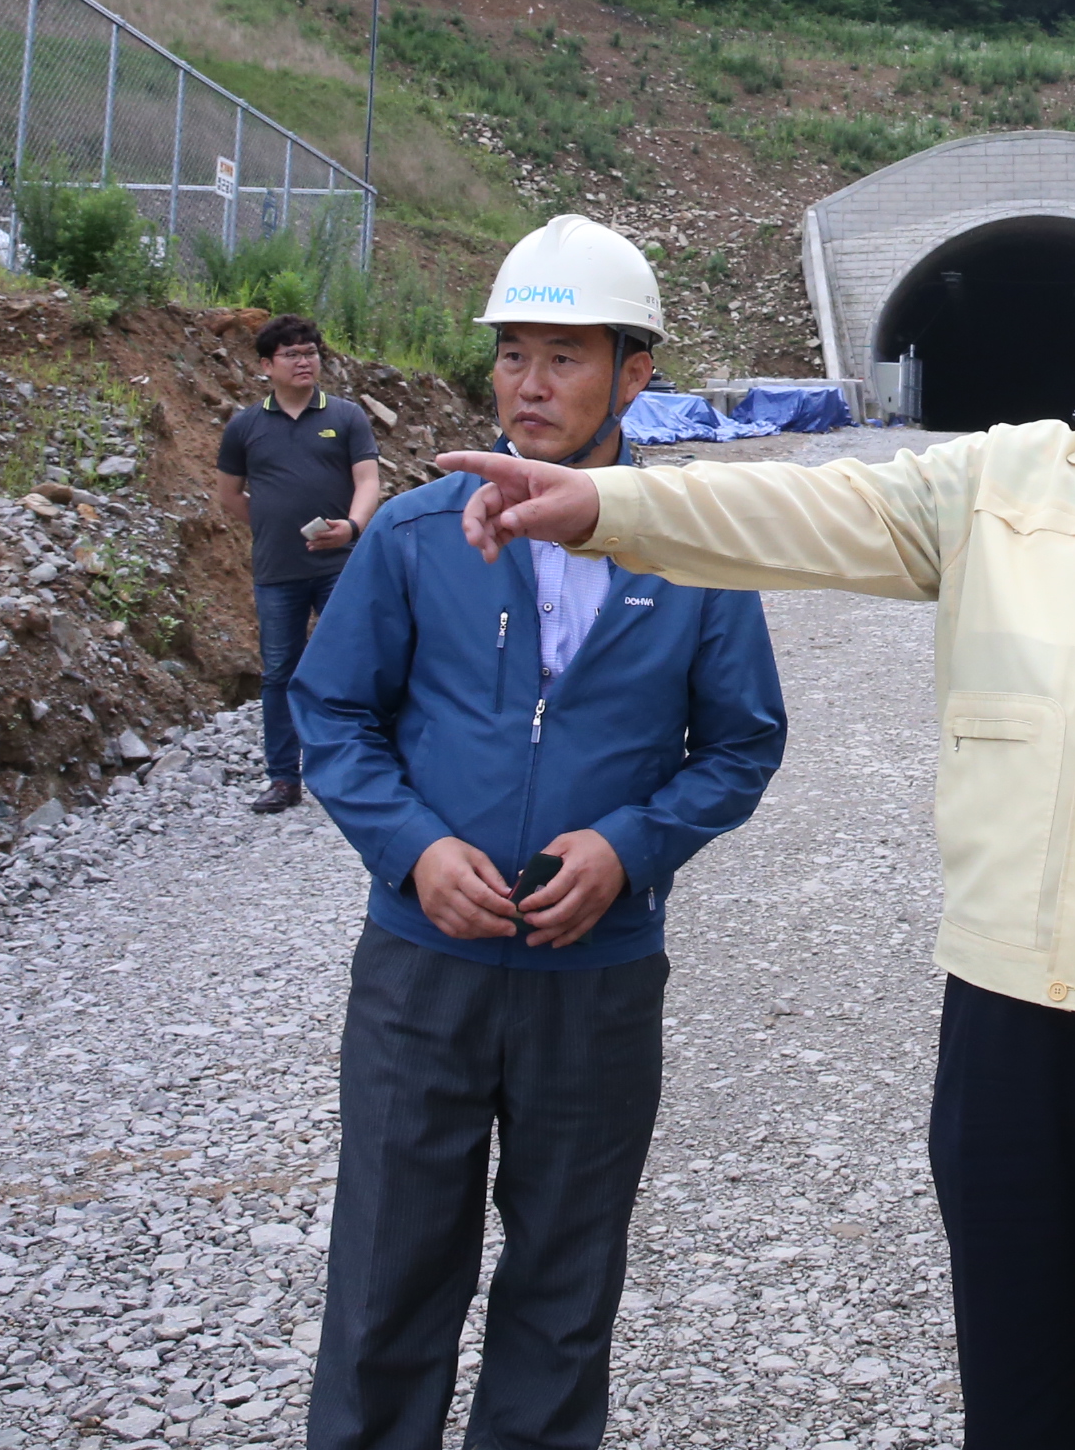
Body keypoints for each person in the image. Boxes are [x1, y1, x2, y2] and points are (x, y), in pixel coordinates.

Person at [443, 193, 1075, 1450]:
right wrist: (608, 509)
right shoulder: (1013, 480)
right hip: (1015, 1035)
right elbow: (806, 515)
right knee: (1021, 1407)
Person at [292, 214, 786, 1450]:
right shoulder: (415, 537)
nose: (528, 384)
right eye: (513, 355)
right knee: (388, 1274)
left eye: (565, 357)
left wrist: (632, 844)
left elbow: (740, 744)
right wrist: (411, 846)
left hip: (596, 976)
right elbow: (334, 711)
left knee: (565, 1282)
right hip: (425, 967)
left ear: (636, 372)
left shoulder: (692, 553)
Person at [216, 313, 383, 814]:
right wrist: (271, 524)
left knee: (350, 666)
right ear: (266, 365)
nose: (304, 360)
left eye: (310, 351)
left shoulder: (347, 416)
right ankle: (284, 778)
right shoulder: (245, 426)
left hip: (339, 566)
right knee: (280, 673)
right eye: (291, 353)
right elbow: (230, 495)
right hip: (276, 571)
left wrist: (350, 529)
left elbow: (368, 482)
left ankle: (359, 769)